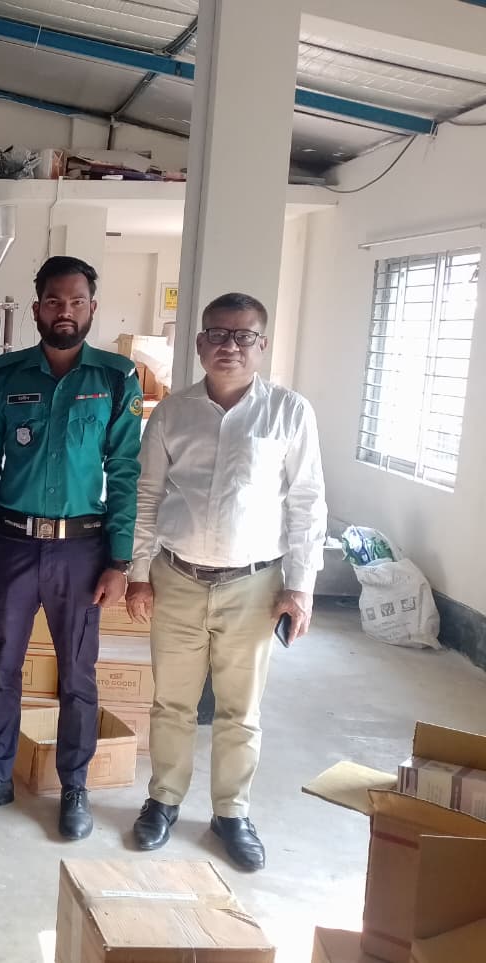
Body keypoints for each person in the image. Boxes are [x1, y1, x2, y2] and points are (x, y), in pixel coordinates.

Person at [126, 292, 327, 872]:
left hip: (254, 586)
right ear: (199, 343)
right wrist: (139, 574)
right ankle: (163, 800)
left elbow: (308, 503)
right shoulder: (172, 413)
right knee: (172, 702)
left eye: (243, 336)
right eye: (217, 334)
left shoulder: (288, 412)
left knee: (241, 709)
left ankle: (231, 813)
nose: (229, 346)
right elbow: (146, 495)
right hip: (177, 578)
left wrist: (300, 586)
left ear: (262, 345)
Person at [0, 255, 142, 840]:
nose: (65, 311)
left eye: (76, 301)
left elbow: (126, 474)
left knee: (78, 675)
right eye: (54, 301)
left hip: (81, 553)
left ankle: (74, 786)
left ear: (92, 308)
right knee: (2, 667)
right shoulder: (5, 377)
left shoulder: (116, 378)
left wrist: (120, 560)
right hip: (9, 545)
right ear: (36, 308)